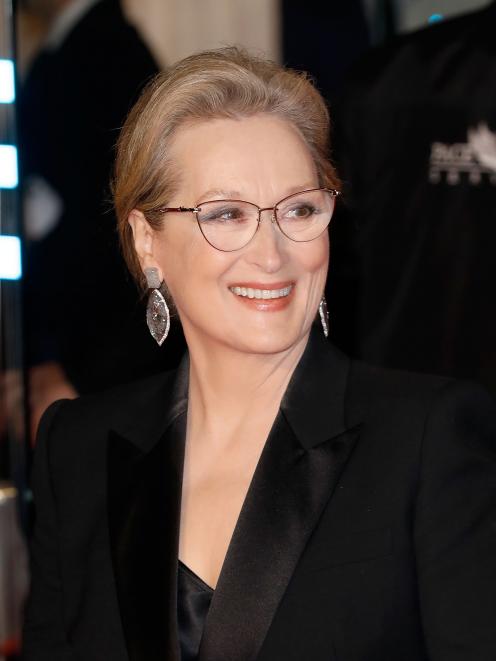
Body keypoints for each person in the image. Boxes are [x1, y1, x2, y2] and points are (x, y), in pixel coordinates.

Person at [22, 48, 496, 661]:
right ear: (147, 243)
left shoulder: (430, 438)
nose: (272, 256)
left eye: (299, 209)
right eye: (227, 215)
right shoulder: (79, 447)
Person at [18, 0, 183, 440]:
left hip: (104, 364)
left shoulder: (110, 55)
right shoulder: (69, 50)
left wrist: (80, 377)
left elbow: (134, 235)